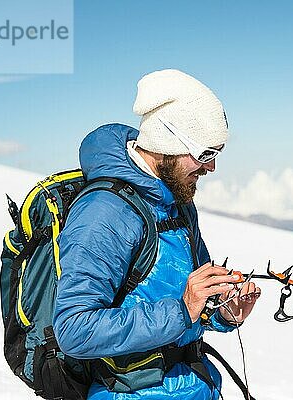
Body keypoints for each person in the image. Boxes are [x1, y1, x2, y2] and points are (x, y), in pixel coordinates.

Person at [53, 69, 261, 400]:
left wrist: (221, 312)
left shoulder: (177, 201)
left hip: (195, 385)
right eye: (205, 154)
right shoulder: (104, 213)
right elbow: (74, 329)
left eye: (216, 154)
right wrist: (182, 309)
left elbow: (190, 302)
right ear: (168, 142)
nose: (211, 168)